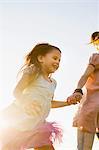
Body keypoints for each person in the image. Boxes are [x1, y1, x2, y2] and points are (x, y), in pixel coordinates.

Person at [0, 43, 70, 150]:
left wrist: (67, 102)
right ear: (41, 58)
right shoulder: (33, 71)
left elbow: (48, 103)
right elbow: (17, 91)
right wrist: (26, 103)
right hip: (18, 122)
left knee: (46, 147)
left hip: (38, 126)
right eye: (55, 58)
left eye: (59, 60)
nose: (57, 62)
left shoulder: (53, 83)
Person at [67, 31, 99, 150]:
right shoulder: (96, 58)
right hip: (92, 104)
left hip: (92, 105)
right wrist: (78, 90)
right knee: (83, 146)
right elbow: (85, 76)